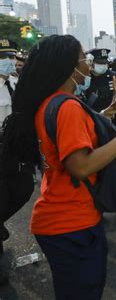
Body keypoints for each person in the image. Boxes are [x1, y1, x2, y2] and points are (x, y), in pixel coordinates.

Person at [1, 34, 116, 299]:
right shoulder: (67, 107)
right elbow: (80, 166)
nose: (88, 63)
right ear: (69, 67)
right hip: (71, 223)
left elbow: (76, 132)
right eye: (84, 58)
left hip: (59, 219)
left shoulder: (52, 103)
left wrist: (107, 113)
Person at [0, 38, 20, 287]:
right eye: (5, 57)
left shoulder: (14, 83)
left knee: (21, 190)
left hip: (13, 151)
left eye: (11, 57)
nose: (10, 61)